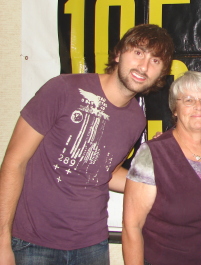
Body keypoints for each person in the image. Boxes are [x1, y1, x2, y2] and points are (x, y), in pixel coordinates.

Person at [0, 23, 174, 265]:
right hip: (33, 244)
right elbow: (14, 162)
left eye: (155, 61)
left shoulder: (136, 120)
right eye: (138, 52)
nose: (144, 66)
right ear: (118, 53)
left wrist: (162, 180)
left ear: (161, 74)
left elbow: (106, 171)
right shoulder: (62, 88)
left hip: (92, 245)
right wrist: (2, 241)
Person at [122, 71, 201, 265]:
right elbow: (132, 227)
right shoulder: (152, 153)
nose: (198, 107)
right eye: (188, 100)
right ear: (174, 109)